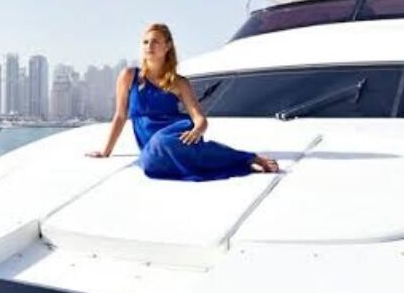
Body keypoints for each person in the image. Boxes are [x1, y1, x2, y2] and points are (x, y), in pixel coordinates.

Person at [86, 23, 278, 181]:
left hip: (175, 133)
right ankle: (239, 161)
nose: (148, 46)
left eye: (155, 42)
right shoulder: (129, 76)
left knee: (164, 143)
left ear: (167, 46)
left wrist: (196, 131)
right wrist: (105, 151)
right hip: (150, 144)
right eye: (145, 42)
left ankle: (248, 158)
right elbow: (120, 115)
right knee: (151, 162)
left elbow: (199, 118)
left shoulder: (178, 82)